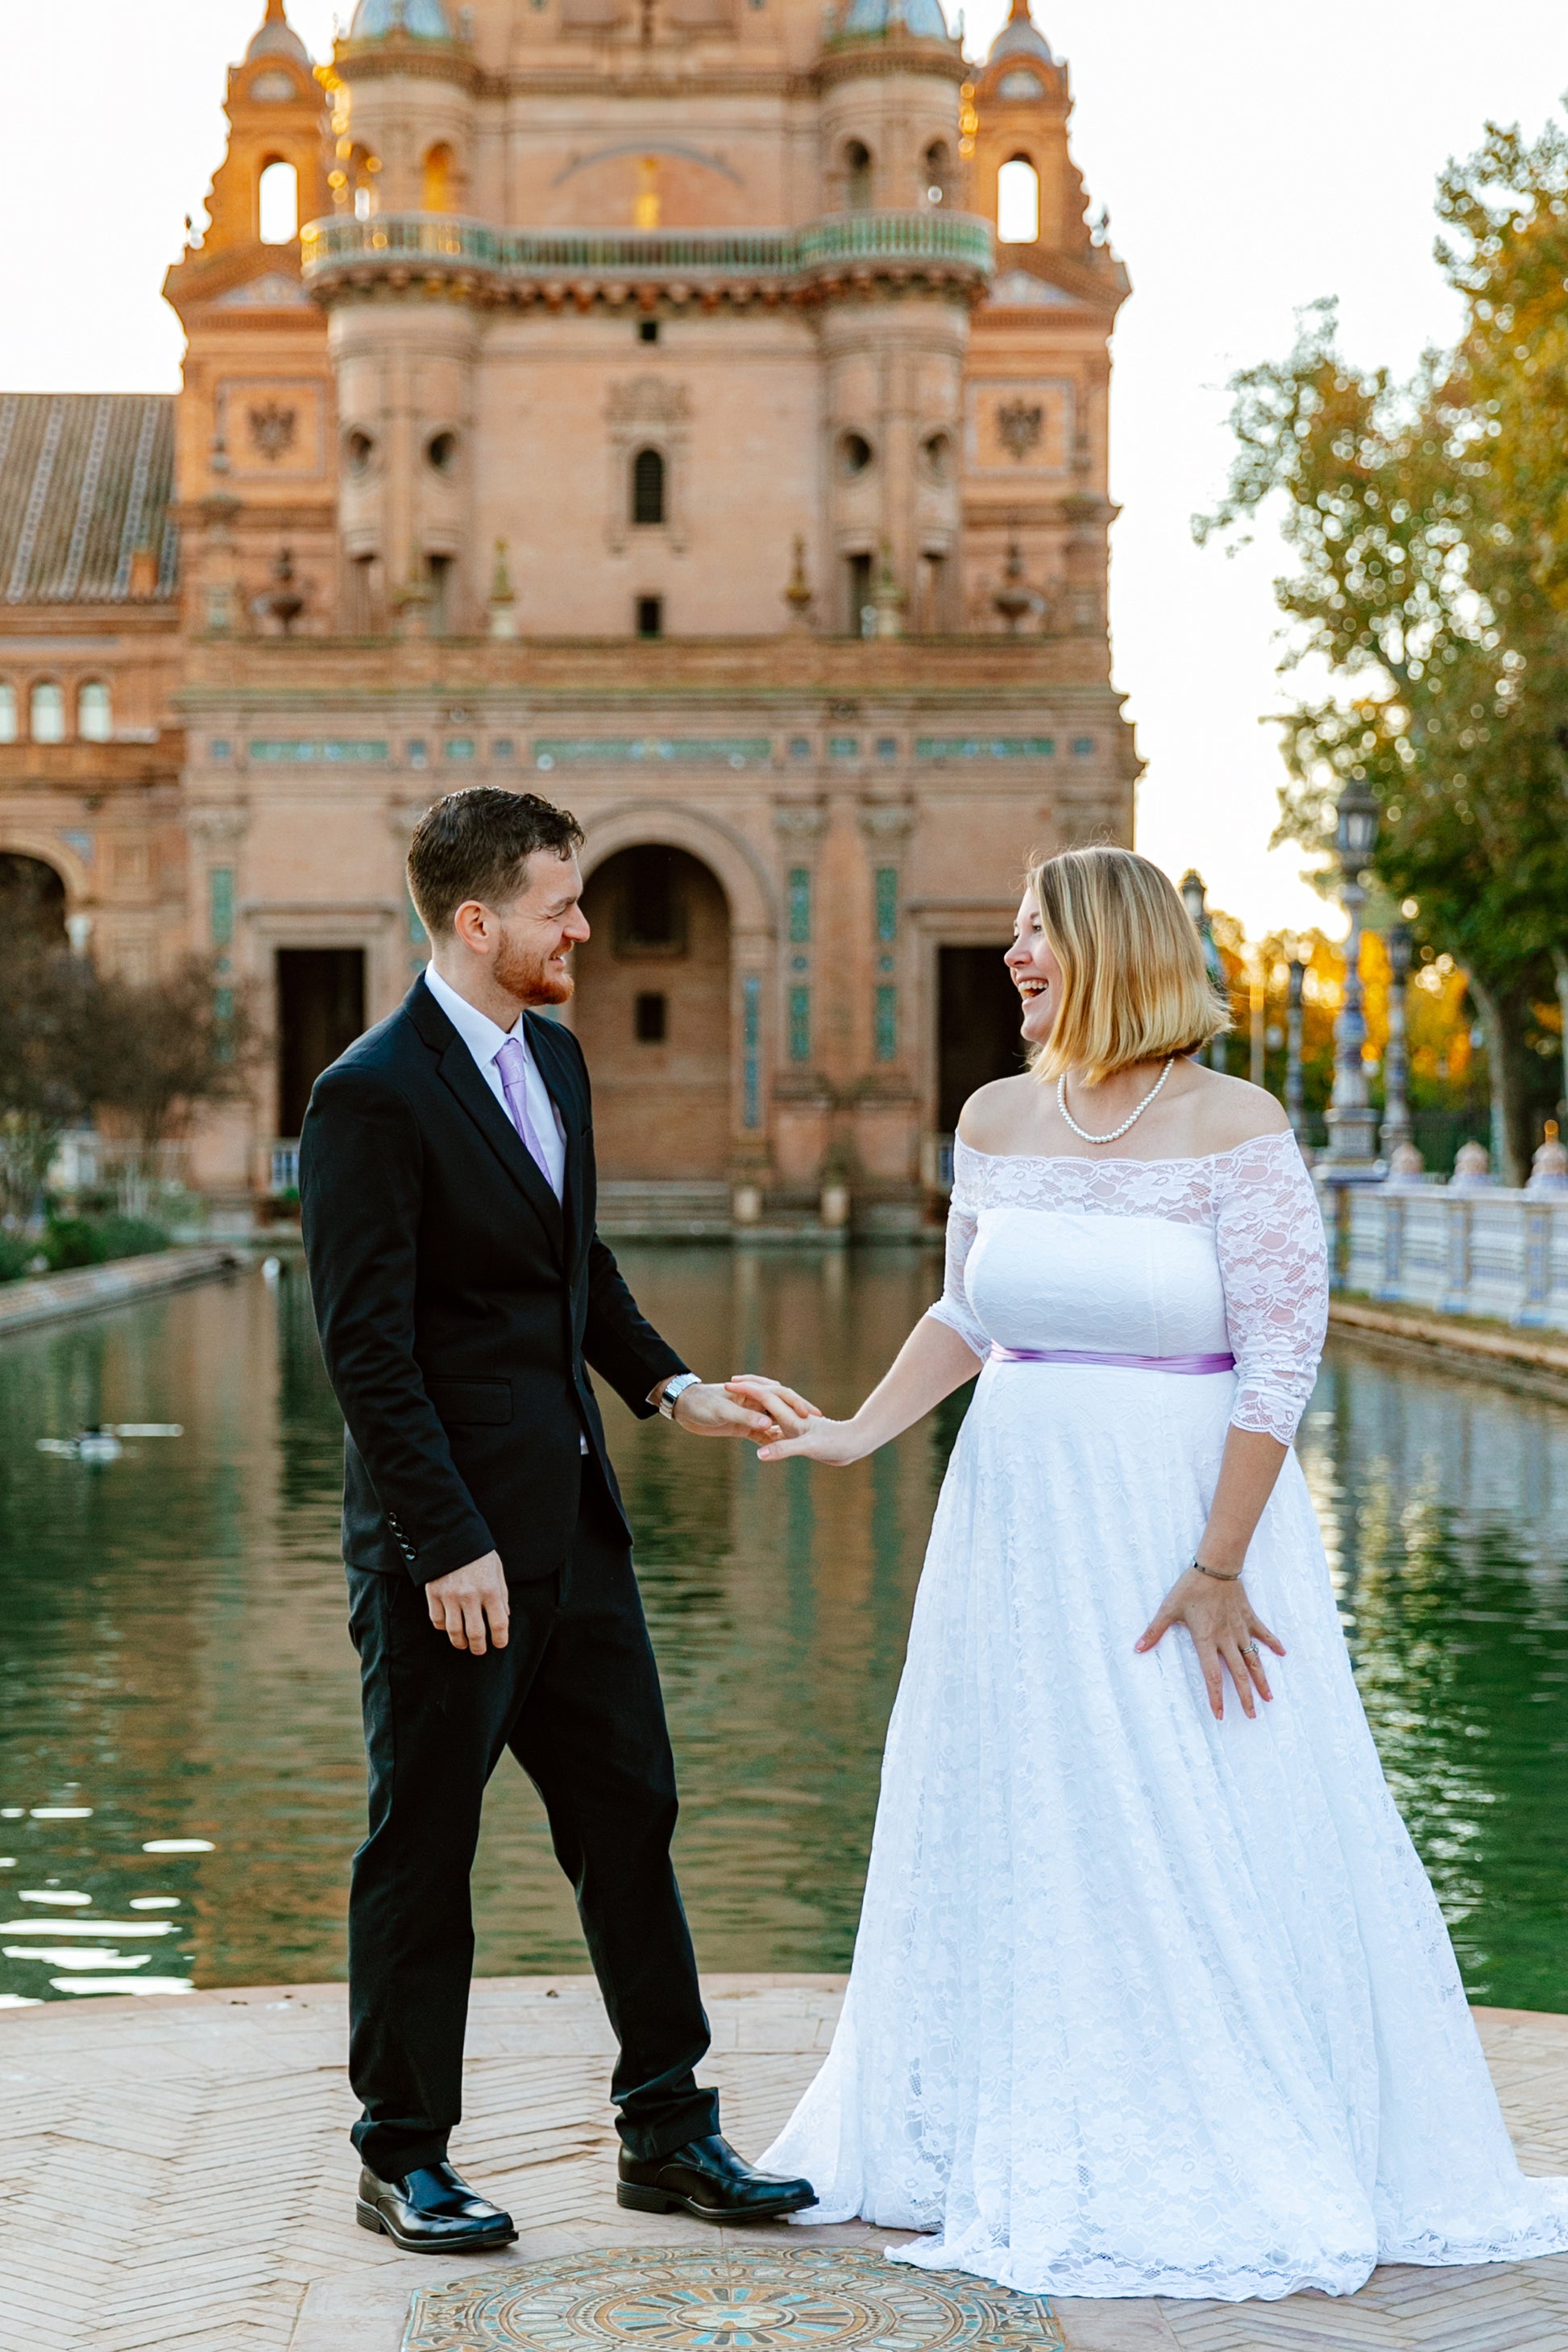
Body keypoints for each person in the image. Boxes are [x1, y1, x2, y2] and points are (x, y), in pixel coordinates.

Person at [749, 846, 1568, 2301]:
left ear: (1111, 949)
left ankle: (1224, 2110)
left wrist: (1215, 1565)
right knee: (1024, 1800)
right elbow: (964, 1314)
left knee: (1197, 1801)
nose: (1012, 956)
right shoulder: (994, 1116)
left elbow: (1279, 1357)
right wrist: (856, 1432)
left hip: (1178, 1520)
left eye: (1036, 934)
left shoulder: (1235, 1124)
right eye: (1012, 932)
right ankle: (1006, 2107)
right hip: (1013, 1520)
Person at [300, 787, 817, 2255]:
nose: (583, 927)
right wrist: (445, 1540)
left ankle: (669, 2132)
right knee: (424, 1845)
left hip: (576, 1534)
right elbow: (366, 1352)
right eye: (559, 906)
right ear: (477, 922)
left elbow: (572, 1263)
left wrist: (672, 1388)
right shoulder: (368, 1094)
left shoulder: (558, 1058)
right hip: (447, 1558)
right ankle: (403, 2157)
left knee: (631, 1819)